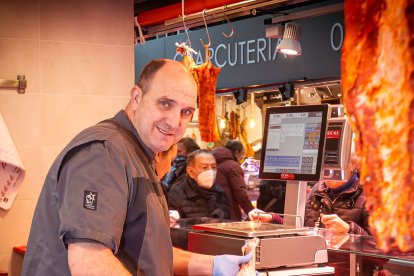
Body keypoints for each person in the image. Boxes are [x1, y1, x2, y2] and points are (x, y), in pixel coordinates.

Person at [22, 59, 251, 276]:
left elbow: (150, 255)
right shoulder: (104, 154)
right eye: (165, 103)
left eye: (186, 112)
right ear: (136, 97)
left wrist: (214, 265)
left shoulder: (137, 154)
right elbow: (90, 262)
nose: (174, 121)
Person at [168, 149, 230, 219]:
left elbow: (226, 219)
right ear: (190, 171)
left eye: (213, 167)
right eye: (204, 167)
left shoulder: (220, 192)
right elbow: (173, 226)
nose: (210, 171)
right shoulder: (176, 194)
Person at [212, 140, 255, 221]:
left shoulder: (212, 162)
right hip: (228, 210)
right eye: (242, 154)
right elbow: (240, 192)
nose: (243, 157)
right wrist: (251, 211)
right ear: (236, 152)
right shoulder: (233, 166)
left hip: (213, 210)